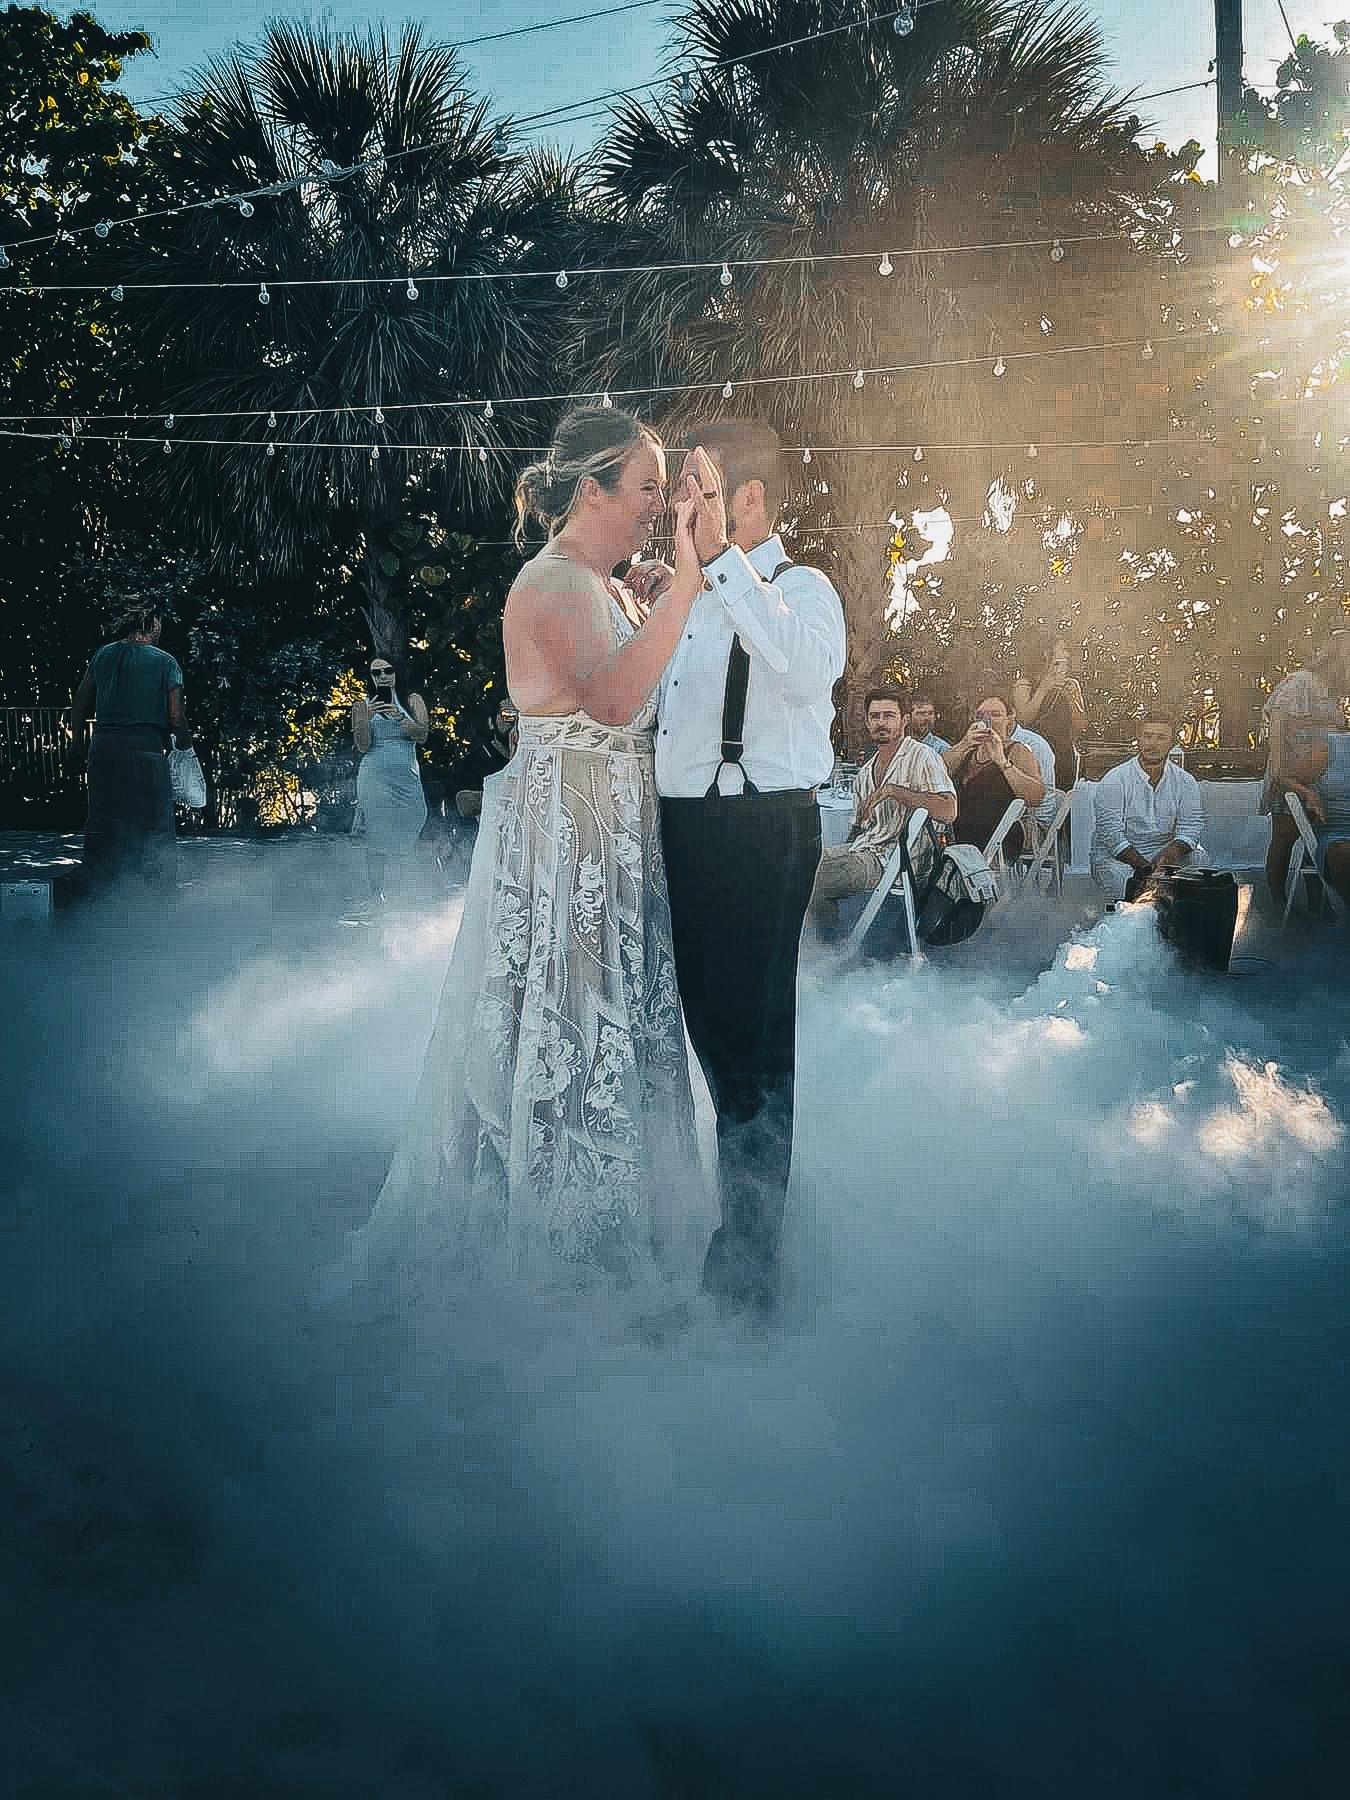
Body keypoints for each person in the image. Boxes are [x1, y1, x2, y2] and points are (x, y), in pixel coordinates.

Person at [345, 405, 719, 1293]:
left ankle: (626, 1226)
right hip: (571, 847)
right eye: (647, 488)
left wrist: (658, 596)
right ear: (591, 490)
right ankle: (567, 1260)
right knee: (573, 1027)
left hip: (613, 841)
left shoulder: (604, 584)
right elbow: (614, 702)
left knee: (613, 1029)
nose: (659, 505)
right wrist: (687, 583)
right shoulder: (552, 582)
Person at [637, 416, 846, 1319]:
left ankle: (749, 1272)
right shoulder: (690, 595)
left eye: (694, 485)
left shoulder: (805, 588)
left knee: (755, 1044)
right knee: (712, 1035)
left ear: (746, 497)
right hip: (686, 833)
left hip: (761, 832)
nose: (676, 503)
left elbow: (804, 671)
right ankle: (744, 1219)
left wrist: (723, 561)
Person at [807, 685, 956, 935]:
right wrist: (844, 848)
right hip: (866, 850)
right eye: (875, 716)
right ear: (867, 722)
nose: (881, 723)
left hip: (901, 862)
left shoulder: (923, 756)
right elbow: (859, 830)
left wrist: (895, 791)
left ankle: (830, 945)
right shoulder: (865, 773)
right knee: (799, 865)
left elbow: (949, 810)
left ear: (904, 720)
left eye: (889, 715)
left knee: (813, 879)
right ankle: (827, 941)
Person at [69, 600, 191, 893]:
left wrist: (77, 743)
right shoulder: (166, 662)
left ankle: (97, 891)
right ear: (154, 624)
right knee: (154, 824)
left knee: (104, 821)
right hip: (145, 751)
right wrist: (185, 747)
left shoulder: (103, 655)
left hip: (104, 750)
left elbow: (80, 703)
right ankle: (159, 893)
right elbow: (176, 717)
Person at [1260, 630, 1350, 903]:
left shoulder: (1332, 692)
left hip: (1323, 769)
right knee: (1285, 838)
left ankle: (1319, 903)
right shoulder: (1301, 681)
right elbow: (1277, 723)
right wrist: (1278, 771)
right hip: (1290, 765)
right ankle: (1277, 903)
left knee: (1316, 835)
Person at [1089, 715, 1207, 901]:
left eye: (1161, 737)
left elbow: (1190, 827)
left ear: (1172, 743)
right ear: (1139, 739)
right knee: (1125, 886)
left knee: (1201, 861)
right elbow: (1111, 835)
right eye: (1148, 736)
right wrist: (1147, 870)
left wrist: (1168, 858)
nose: (1153, 743)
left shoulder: (1185, 781)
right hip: (1120, 857)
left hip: (1165, 854)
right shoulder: (1115, 779)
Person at [350, 656, 429, 901]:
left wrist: (399, 717)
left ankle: (407, 889)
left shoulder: (412, 700)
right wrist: (365, 719)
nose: (383, 676)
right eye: (377, 673)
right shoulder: (361, 705)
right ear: (371, 678)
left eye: (388, 670)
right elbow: (363, 746)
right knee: (377, 833)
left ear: (396, 672)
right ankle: (377, 894)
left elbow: (422, 736)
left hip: (407, 777)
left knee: (413, 821)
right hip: (374, 776)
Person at [943, 695, 1046, 863]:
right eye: (981, 715)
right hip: (959, 834)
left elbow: (1036, 797)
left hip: (999, 835)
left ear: (1009, 719)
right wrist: (964, 744)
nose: (988, 720)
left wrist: (1002, 761)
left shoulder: (1017, 750)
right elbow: (936, 774)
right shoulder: (967, 751)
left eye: (995, 714)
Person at [1012, 633, 1087, 792]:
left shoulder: (1071, 684)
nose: (1066, 654)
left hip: (1063, 756)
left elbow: (1080, 727)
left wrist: (1072, 700)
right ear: (1046, 653)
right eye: (1062, 649)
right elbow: (1023, 719)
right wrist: (1044, 688)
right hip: (1034, 754)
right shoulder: (1025, 684)